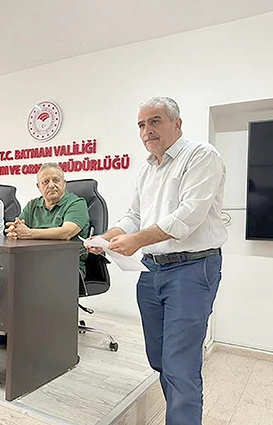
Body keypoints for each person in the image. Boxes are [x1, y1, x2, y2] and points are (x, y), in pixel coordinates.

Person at [86, 97, 227, 425]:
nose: (146, 130)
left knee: (180, 365)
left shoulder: (201, 156)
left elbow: (187, 216)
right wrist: (108, 237)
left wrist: (136, 241)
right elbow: (134, 215)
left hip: (192, 269)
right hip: (151, 271)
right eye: (141, 124)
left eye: (155, 121)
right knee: (159, 359)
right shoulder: (147, 169)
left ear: (177, 124)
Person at [6, 162, 89, 275]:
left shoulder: (77, 203)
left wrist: (29, 233)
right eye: (45, 182)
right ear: (38, 187)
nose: (51, 185)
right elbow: (18, 228)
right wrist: (14, 231)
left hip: (67, 265)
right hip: (34, 261)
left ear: (64, 184)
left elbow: (66, 232)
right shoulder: (32, 205)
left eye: (56, 180)